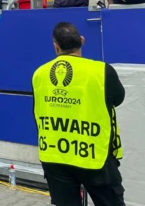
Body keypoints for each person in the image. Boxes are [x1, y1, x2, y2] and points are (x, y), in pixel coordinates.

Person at [32, 22, 124, 206]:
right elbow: (117, 99)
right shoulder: (102, 71)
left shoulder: (39, 73)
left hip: (55, 156)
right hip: (94, 155)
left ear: (56, 47)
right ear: (82, 41)